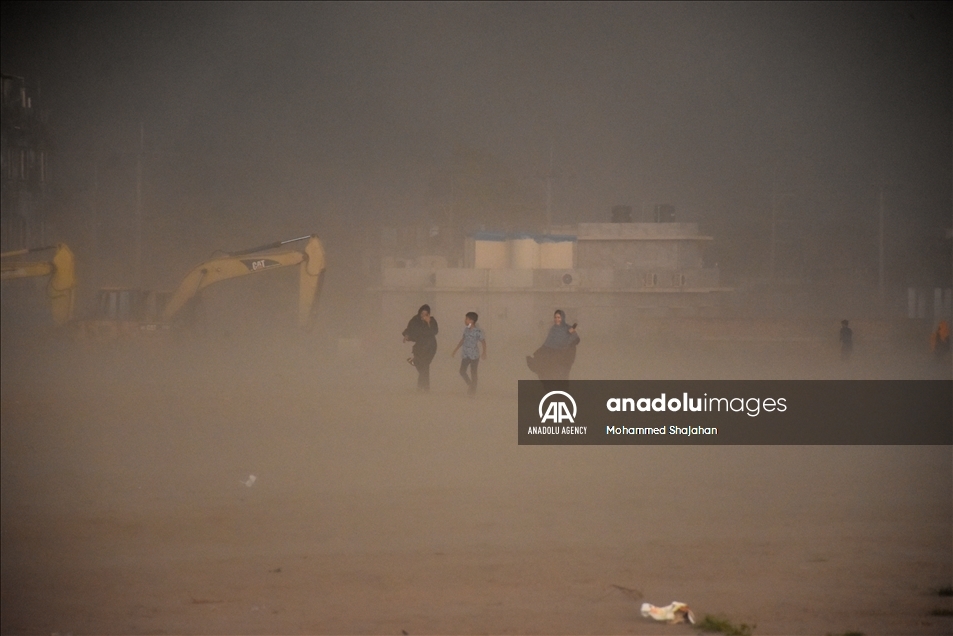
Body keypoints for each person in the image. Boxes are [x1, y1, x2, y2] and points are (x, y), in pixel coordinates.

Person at [526, 309, 580, 389]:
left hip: (565, 357)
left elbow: (576, 340)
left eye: (559, 317)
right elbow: (548, 343)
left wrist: (570, 337)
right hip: (554, 355)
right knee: (549, 370)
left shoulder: (568, 328)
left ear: (563, 318)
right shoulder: (553, 329)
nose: (557, 319)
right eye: (555, 317)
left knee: (563, 374)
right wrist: (540, 352)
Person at [403, 304, 438, 391]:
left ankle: (423, 386)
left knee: (425, 364)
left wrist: (429, 322)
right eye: (422, 313)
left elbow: (434, 331)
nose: (423, 316)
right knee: (421, 365)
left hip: (430, 346)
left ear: (429, 314)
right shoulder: (415, 320)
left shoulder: (432, 321)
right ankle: (424, 385)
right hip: (419, 346)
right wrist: (407, 336)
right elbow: (409, 330)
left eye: (426, 314)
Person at [451, 311, 486, 396]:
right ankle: (470, 384)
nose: (465, 320)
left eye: (467, 319)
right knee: (462, 371)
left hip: (474, 355)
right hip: (466, 354)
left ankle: (472, 391)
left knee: (473, 373)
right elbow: (463, 340)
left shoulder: (478, 331)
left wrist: (484, 352)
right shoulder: (466, 330)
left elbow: (483, 342)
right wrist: (455, 349)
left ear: (472, 320)